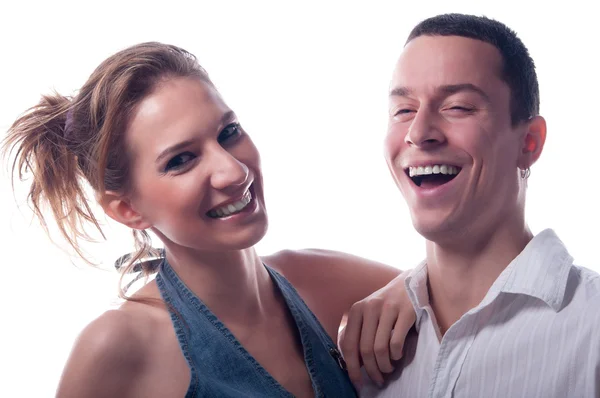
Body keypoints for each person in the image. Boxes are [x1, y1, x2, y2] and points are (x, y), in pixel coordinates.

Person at [2, 42, 414, 397]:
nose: (234, 171)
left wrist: (413, 288)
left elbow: (468, 293)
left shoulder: (320, 279)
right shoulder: (119, 346)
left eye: (228, 132)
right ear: (128, 209)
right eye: (181, 160)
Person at [341, 13, 600, 397]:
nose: (418, 132)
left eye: (458, 107)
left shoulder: (591, 327)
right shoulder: (365, 346)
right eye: (403, 110)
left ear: (529, 142)